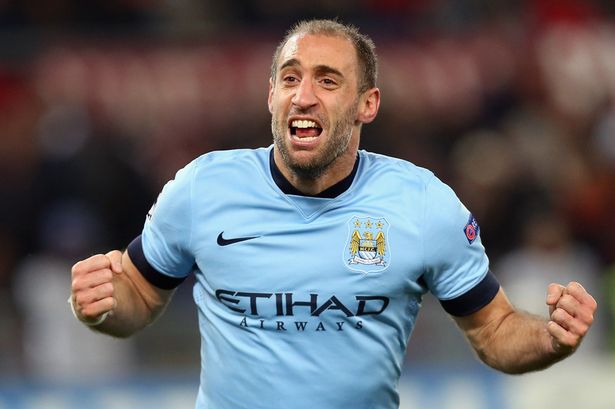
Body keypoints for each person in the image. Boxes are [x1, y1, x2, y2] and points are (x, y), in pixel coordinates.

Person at [69, 19, 597, 409]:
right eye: (291, 78)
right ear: (271, 94)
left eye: (327, 80)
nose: (304, 95)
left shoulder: (421, 205)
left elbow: (496, 330)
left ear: (367, 104)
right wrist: (103, 303)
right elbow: (137, 296)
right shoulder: (202, 189)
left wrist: (548, 338)